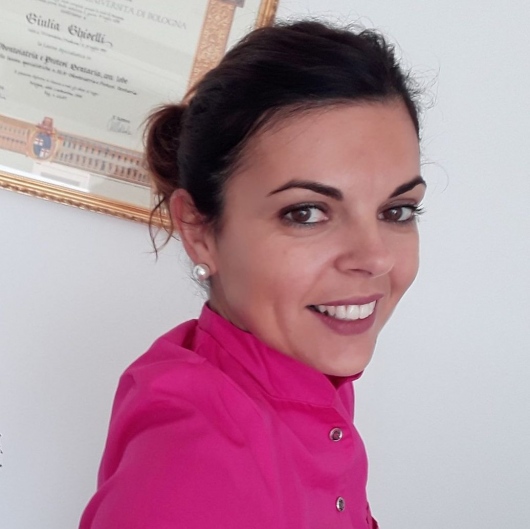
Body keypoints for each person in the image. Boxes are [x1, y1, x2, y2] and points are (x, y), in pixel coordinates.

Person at [80, 20, 426, 529]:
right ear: (199, 230)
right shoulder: (195, 473)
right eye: (306, 213)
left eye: (397, 211)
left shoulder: (295, 364)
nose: (375, 258)